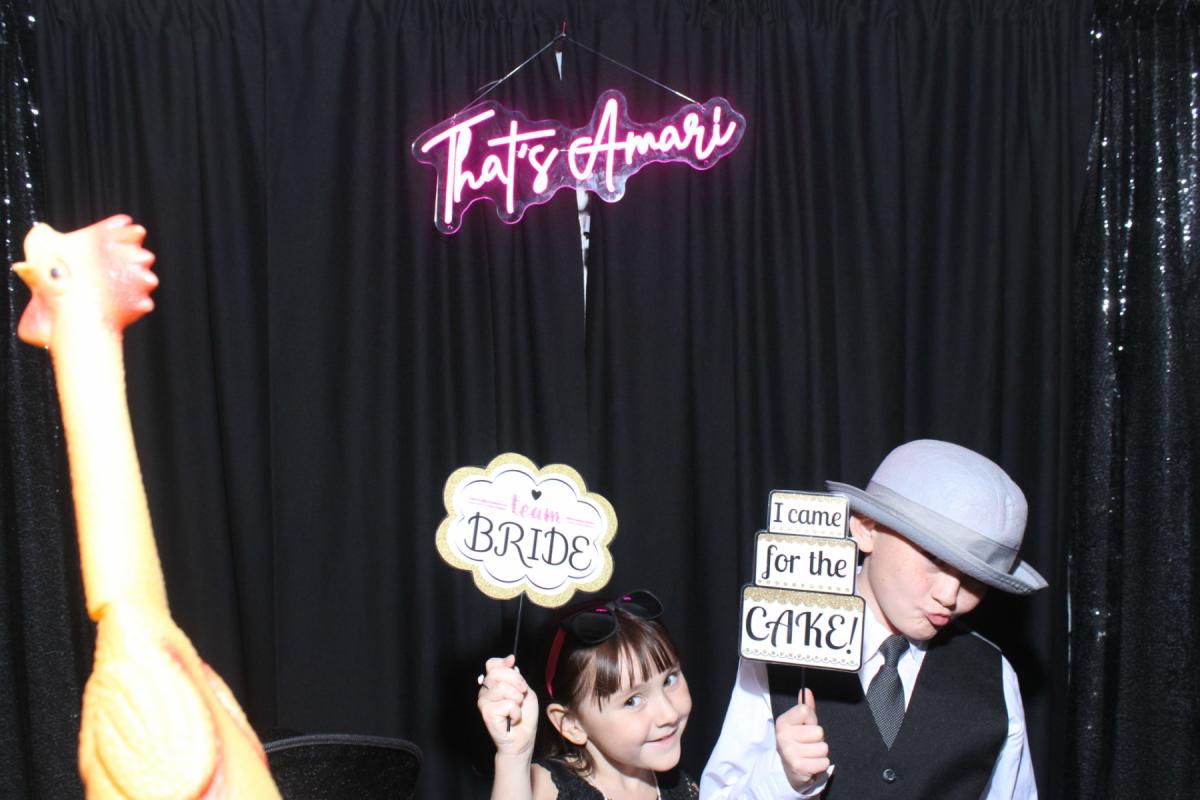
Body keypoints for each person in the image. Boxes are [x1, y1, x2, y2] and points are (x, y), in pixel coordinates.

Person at [701, 439, 1047, 799]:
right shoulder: (781, 638)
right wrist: (782, 780)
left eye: (976, 578)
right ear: (866, 528)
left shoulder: (994, 673)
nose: (949, 595)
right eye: (935, 558)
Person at [478, 590, 699, 799]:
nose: (669, 714)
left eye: (669, 680)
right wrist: (514, 756)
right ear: (571, 724)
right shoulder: (545, 786)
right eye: (632, 701)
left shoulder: (680, 785)